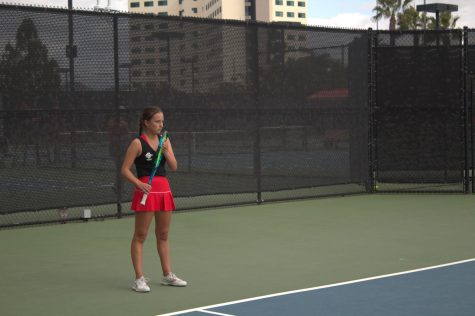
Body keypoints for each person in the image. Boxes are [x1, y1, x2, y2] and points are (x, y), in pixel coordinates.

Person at [121, 106, 186, 293]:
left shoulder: (165, 141)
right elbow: (124, 170)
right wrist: (137, 183)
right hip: (146, 193)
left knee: (163, 234)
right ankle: (139, 279)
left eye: (162, 121)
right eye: (157, 121)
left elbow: (173, 166)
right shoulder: (137, 143)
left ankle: (167, 275)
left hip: (164, 191)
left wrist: (166, 150)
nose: (161, 124)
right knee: (140, 236)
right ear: (146, 123)